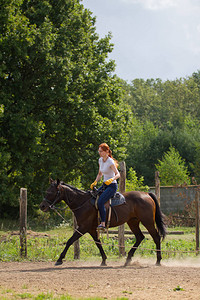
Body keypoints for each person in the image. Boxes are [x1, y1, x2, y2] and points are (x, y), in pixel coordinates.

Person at [90, 143, 120, 230]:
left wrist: (112, 179)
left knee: (100, 201)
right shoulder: (100, 160)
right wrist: (95, 182)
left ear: (106, 151)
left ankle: (103, 224)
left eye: (101, 151)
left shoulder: (110, 161)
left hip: (112, 186)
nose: (99, 153)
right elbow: (100, 174)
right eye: (99, 151)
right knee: (92, 196)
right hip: (104, 185)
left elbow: (118, 174)